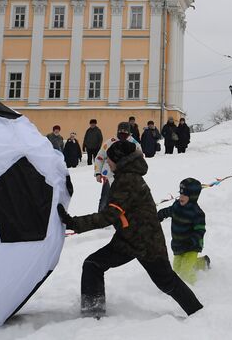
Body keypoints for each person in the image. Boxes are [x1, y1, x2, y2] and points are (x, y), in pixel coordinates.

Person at [60, 139, 202, 318]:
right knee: (93, 265)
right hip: (128, 238)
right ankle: (92, 313)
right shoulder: (126, 176)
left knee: (166, 282)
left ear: (118, 160)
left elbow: (108, 216)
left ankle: (197, 312)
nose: (107, 162)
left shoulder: (127, 180)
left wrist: (73, 223)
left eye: (109, 159)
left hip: (146, 242)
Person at [157, 177, 209, 283]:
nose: (181, 197)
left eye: (185, 195)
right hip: (178, 245)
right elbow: (169, 211)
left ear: (193, 196)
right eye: (180, 194)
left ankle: (194, 289)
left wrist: (193, 241)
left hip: (191, 246)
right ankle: (203, 262)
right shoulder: (176, 206)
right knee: (176, 271)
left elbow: (200, 231)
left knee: (185, 272)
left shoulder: (197, 213)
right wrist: (159, 215)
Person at [95, 121, 134, 211]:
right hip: (109, 175)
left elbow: (140, 160)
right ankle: (101, 218)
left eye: (125, 131)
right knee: (105, 198)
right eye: (121, 130)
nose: (123, 133)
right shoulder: (110, 142)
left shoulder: (134, 144)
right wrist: (97, 173)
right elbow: (99, 157)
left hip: (127, 177)